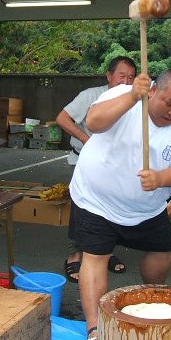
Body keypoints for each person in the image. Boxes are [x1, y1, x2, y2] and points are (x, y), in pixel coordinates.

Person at [69, 67, 171, 340]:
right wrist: (132, 96)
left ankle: (150, 304)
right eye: (169, 103)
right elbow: (94, 121)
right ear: (153, 90)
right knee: (95, 256)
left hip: (147, 207)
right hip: (96, 199)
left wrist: (161, 178)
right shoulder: (125, 94)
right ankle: (95, 329)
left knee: (161, 253)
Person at [56, 56, 137, 283]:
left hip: (117, 166)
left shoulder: (134, 100)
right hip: (86, 163)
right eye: (122, 76)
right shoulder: (91, 96)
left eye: (131, 77)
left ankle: (105, 253)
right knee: (82, 210)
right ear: (109, 75)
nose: (126, 81)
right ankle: (75, 254)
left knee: (111, 209)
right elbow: (62, 118)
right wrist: (85, 138)